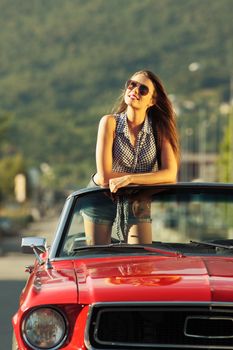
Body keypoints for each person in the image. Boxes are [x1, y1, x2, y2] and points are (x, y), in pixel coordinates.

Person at [82, 69, 180, 245]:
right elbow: (104, 177)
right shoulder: (109, 123)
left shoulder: (160, 130)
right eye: (132, 84)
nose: (134, 90)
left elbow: (170, 175)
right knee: (98, 264)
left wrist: (129, 179)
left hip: (137, 201)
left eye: (143, 89)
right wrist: (148, 179)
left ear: (152, 101)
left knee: (140, 262)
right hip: (101, 197)